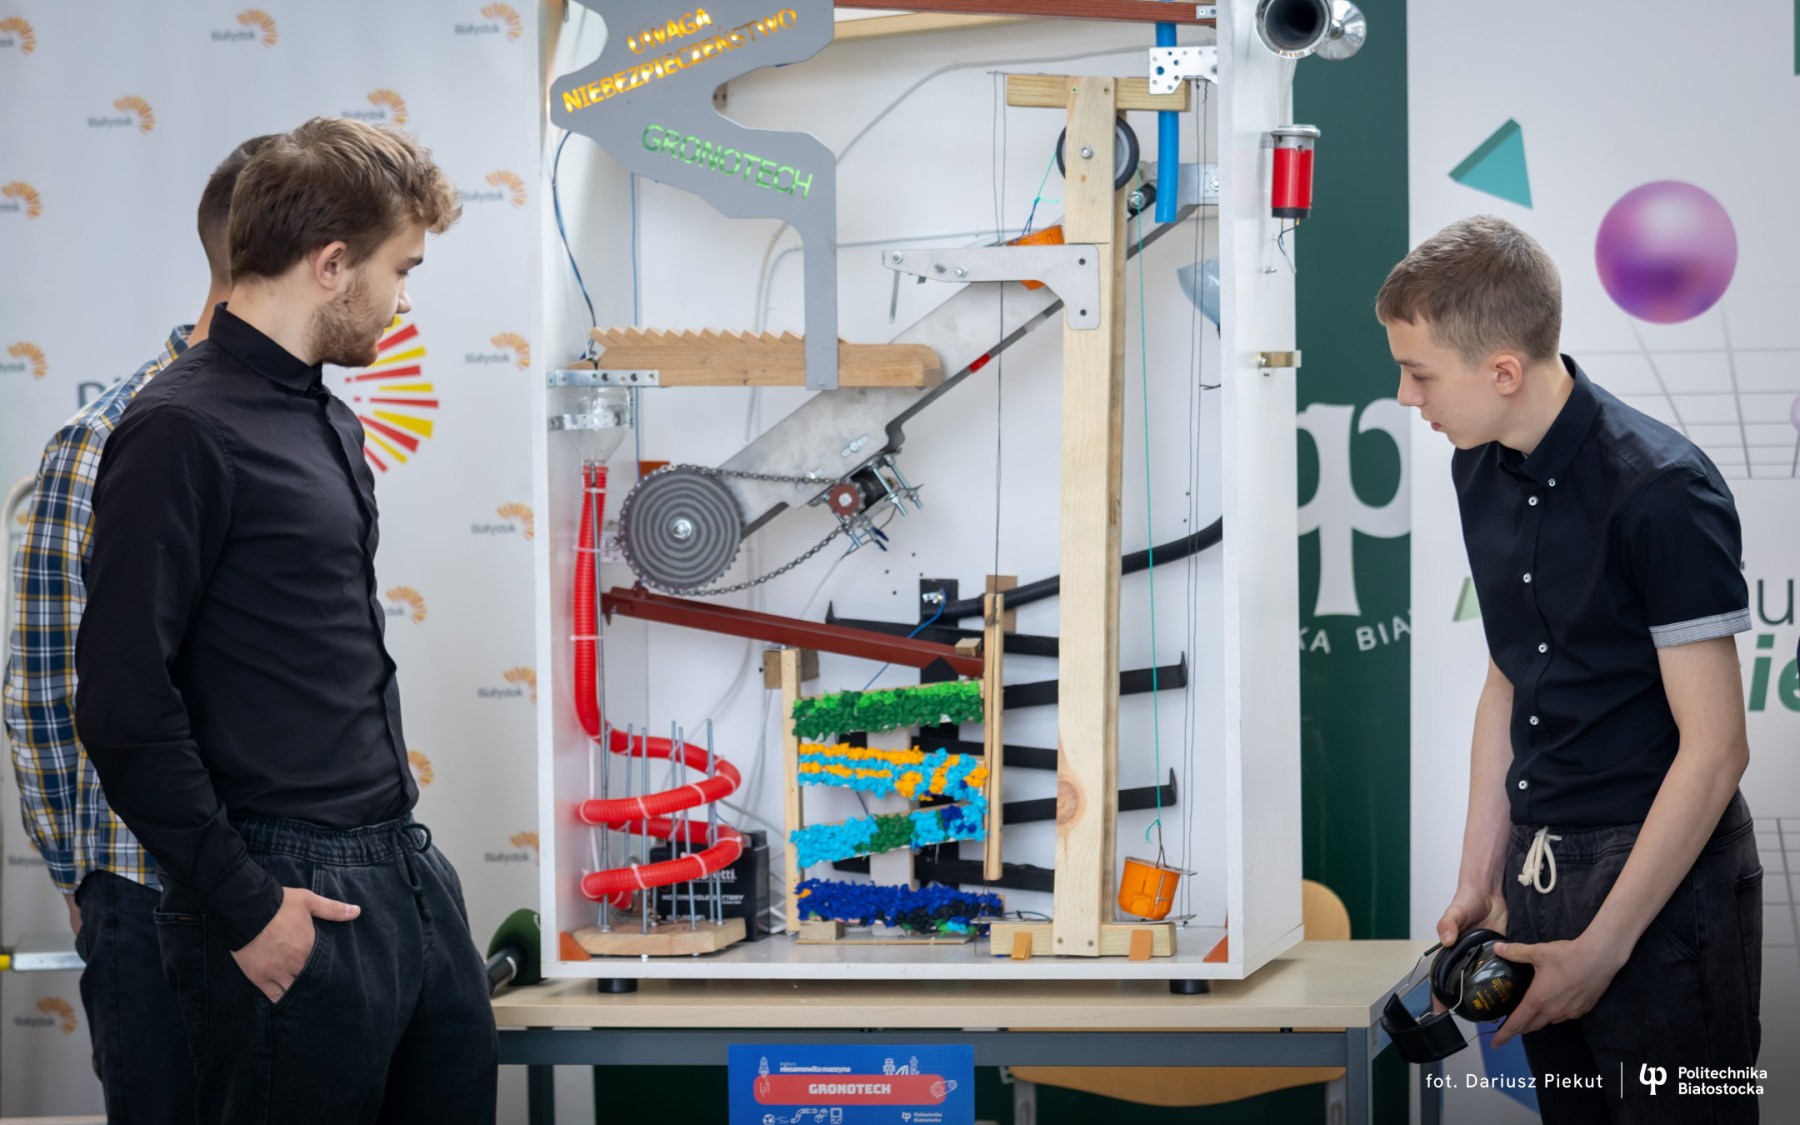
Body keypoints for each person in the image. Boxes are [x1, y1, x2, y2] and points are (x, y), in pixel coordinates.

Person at [74, 117, 495, 1122]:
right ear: (332, 264)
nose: (404, 299)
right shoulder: (178, 428)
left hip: (400, 867)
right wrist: (245, 901)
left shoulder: (332, 419)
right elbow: (123, 701)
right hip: (280, 882)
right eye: (402, 270)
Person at [1381, 215, 1761, 1123]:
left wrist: (1603, 946)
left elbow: (1716, 749)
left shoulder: (1663, 490)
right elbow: (1508, 676)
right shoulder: (1476, 465)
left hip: (1666, 890)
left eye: (1420, 372)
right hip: (1537, 871)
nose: (1404, 395)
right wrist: (1482, 878)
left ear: (1503, 371)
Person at [4, 133, 273, 1121]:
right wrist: (83, 877)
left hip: (291, 885)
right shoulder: (104, 440)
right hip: (150, 893)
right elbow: (46, 690)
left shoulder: (305, 434)